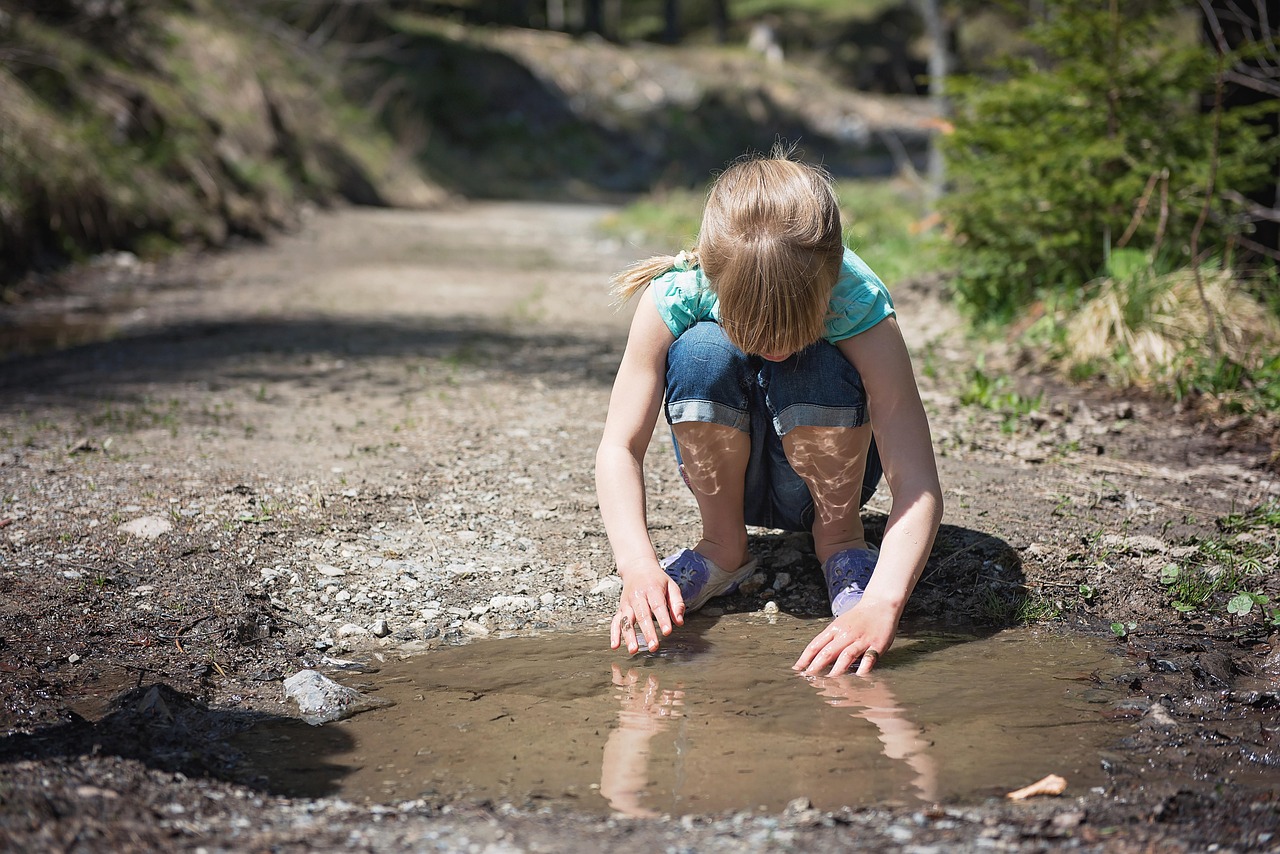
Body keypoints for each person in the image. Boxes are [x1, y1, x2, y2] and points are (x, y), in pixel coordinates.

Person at [595, 150, 942, 677]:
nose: (774, 350)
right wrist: (639, 566)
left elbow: (916, 480)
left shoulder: (858, 304)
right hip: (734, 481)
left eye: (792, 330)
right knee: (704, 352)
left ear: (828, 284)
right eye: (754, 333)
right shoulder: (680, 293)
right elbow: (619, 446)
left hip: (827, 488)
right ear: (713, 280)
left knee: (817, 364)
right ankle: (723, 545)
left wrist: (883, 603)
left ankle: (841, 543)